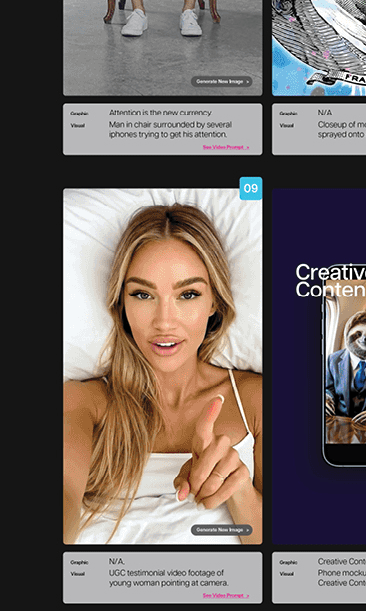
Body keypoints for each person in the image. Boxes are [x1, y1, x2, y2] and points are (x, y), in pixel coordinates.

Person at [62, 204, 264, 546]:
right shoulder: (86, 401)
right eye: (142, 294)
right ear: (121, 304)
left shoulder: (256, 398)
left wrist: (239, 489)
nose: (165, 321)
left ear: (214, 301)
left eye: (188, 294)